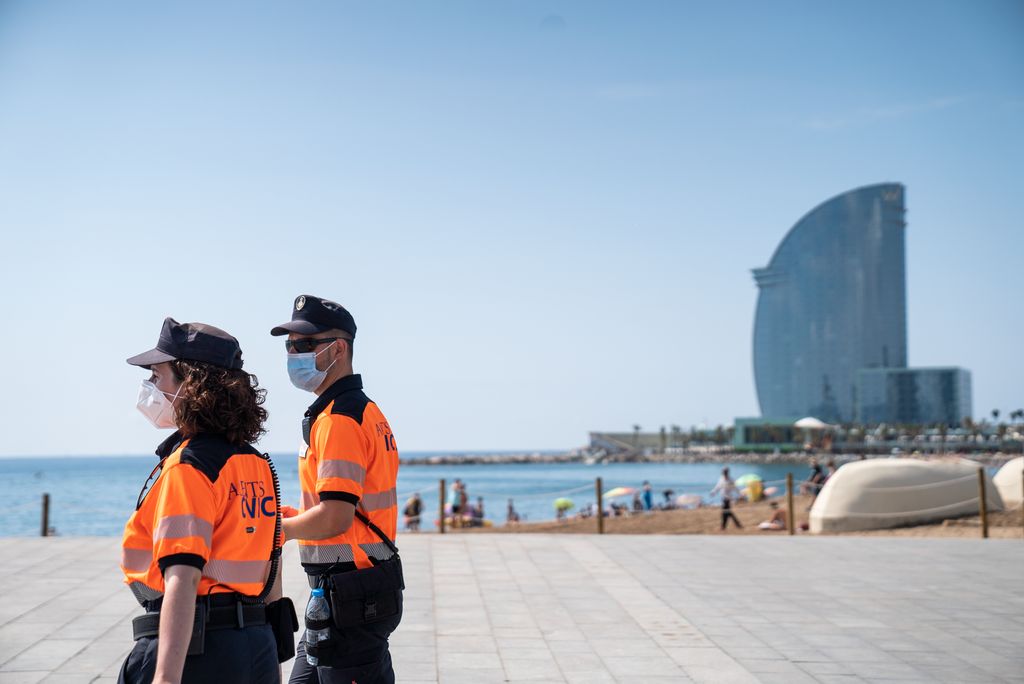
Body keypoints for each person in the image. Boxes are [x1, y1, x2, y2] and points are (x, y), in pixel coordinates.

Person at [120, 318, 290, 684]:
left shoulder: (189, 466)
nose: (150, 387)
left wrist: (165, 677)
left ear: (190, 385)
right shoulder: (256, 463)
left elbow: (183, 575)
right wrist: (270, 663)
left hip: (201, 650)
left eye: (157, 376)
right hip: (254, 644)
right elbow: (271, 570)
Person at [272, 295, 402, 684]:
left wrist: (277, 532)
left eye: (305, 344)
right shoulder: (363, 410)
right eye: (289, 345)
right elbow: (342, 507)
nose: (294, 353)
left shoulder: (339, 420)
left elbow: (337, 515)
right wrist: (294, 517)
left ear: (338, 349)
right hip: (346, 592)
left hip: (350, 594)